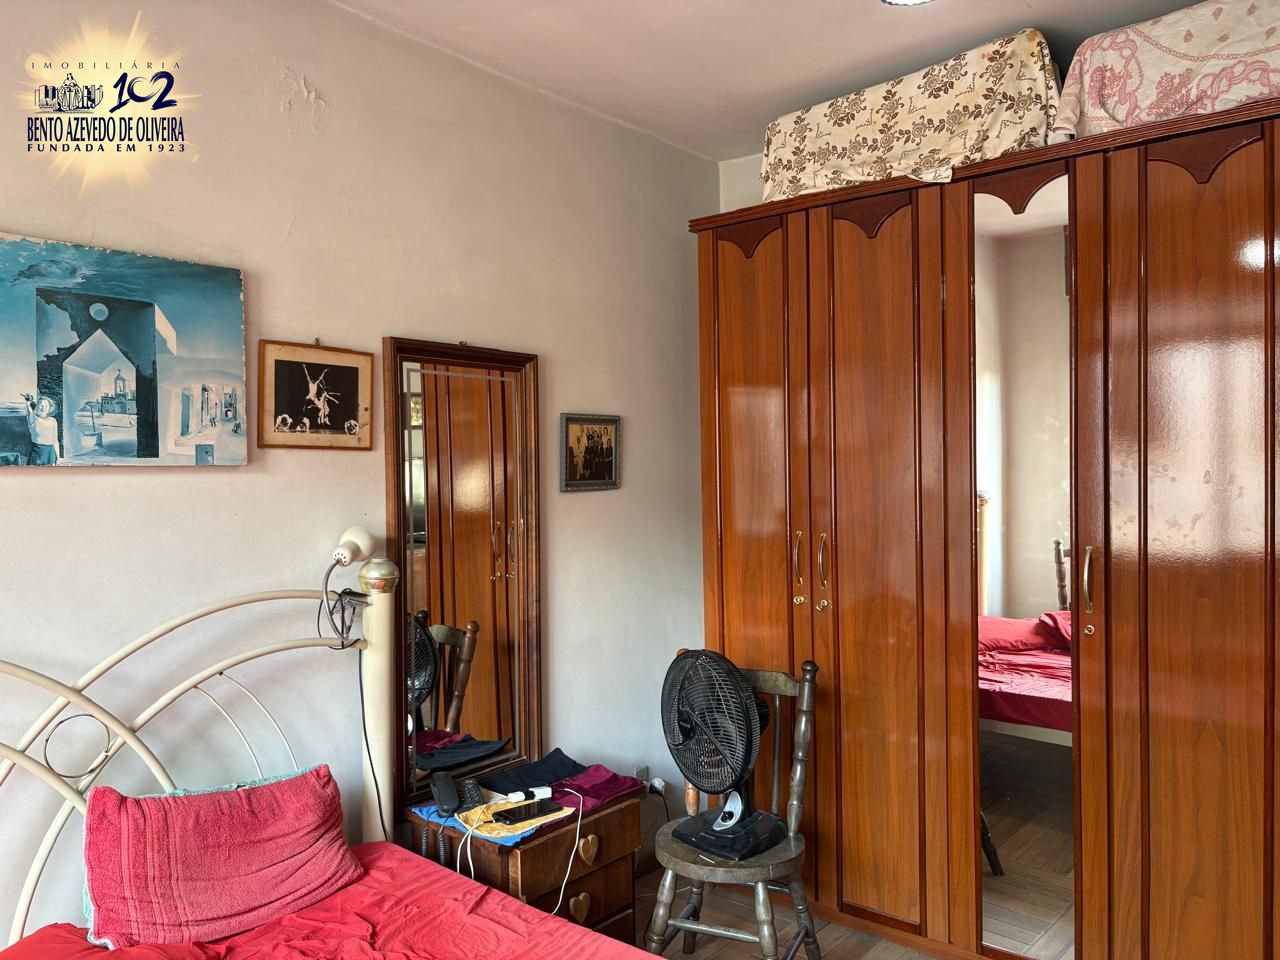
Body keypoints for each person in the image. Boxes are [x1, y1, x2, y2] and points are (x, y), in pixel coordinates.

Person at [24, 394, 59, 465]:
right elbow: (29, 413)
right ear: (37, 406)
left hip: (50, 452)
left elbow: (55, 440)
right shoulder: (33, 419)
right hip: (37, 451)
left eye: (46, 406)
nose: (43, 408)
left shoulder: (53, 421)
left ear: (50, 408)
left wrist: (58, 457)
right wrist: (28, 403)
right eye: (41, 405)